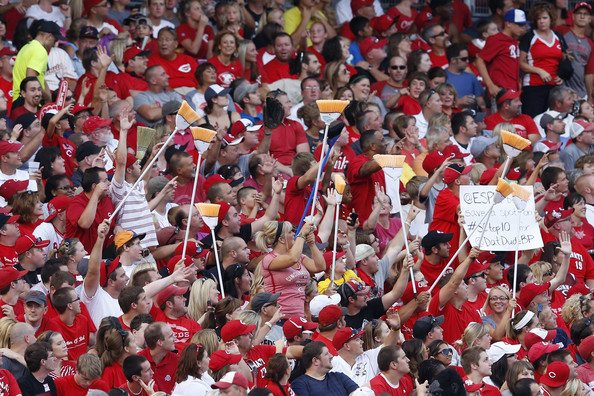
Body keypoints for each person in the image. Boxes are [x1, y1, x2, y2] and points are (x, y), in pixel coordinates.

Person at [291, 341, 359, 396]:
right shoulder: (299, 385)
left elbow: (358, 393)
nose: (331, 356)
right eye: (326, 354)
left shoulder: (339, 376)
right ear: (315, 361)